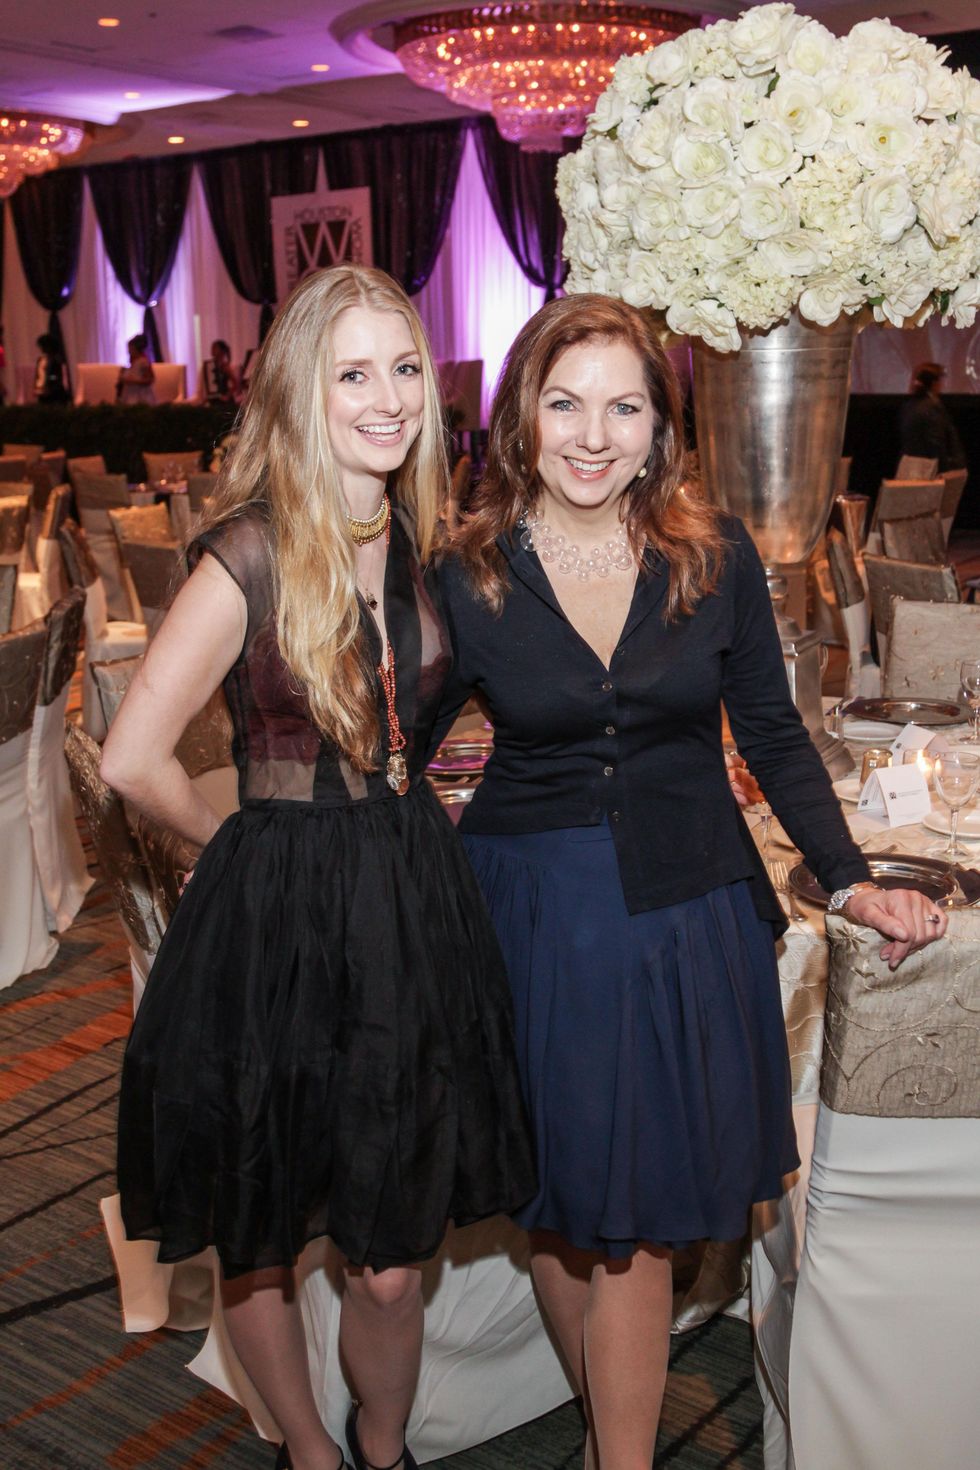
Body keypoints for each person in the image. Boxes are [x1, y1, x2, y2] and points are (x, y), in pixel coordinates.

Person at [438, 294, 948, 1470]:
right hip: (530, 918)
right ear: (520, 413)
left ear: (660, 427)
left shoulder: (706, 553)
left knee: (633, 1235)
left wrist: (847, 877)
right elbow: (399, 749)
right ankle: (598, 1415)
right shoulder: (466, 573)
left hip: (681, 914)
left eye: (624, 407)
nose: (591, 434)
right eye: (564, 403)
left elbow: (770, 735)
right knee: (562, 1216)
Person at [101, 265, 535, 1470]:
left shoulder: (417, 544)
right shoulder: (243, 555)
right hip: (279, 914)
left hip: (406, 908)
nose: (388, 398)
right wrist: (238, 851)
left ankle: (381, 1444)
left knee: (391, 1260)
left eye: (404, 367)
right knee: (259, 1227)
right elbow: (132, 761)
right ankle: (307, 1448)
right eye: (354, 373)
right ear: (300, 391)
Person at [899, 361, 966, 472]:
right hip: (927, 471)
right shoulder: (932, 407)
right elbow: (935, 442)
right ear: (935, 383)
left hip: (910, 469)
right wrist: (945, 469)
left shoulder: (908, 406)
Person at [116, 333, 156, 404]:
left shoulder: (143, 362)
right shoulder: (133, 363)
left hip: (140, 396)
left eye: (130, 349)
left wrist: (132, 381)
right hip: (130, 394)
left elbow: (150, 379)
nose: (128, 352)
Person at [33, 332, 70, 404]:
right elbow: (38, 375)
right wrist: (36, 387)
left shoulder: (56, 360)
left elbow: (56, 376)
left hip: (55, 393)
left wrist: (49, 382)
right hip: (42, 391)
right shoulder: (40, 360)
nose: (42, 348)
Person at [203, 337, 241, 404]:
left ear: (222, 351)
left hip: (223, 400)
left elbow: (236, 384)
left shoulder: (224, 366)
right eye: (212, 347)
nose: (212, 349)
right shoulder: (210, 366)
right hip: (215, 399)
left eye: (215, 347)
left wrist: (227, 395)